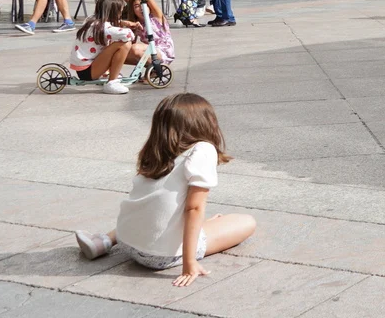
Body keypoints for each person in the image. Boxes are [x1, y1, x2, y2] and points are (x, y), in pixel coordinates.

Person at [75, 94, 257, 286]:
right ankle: (195, 238)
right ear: (205, 123)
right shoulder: (203, 149)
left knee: (150, 208)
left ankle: (103, 241)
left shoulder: (156, 152)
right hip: (159, 256)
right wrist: (189, 263)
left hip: (125, 240)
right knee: (246, 221)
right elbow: (194, 208)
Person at [66, 0, 134, 94]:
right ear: (113, 12)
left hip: (85, 68)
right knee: (125, 44)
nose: (121, 14)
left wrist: (122, 23)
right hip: (88, 71)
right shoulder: (103, 27)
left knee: (114, 42)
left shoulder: (91, 20)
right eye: (120, 11)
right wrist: (130, 27)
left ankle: (107, 73)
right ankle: (112, 82)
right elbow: (128, 35)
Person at [122, 0, 175, 67]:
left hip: (163, 52)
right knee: (119, 54)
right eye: (137, 6)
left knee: (135, 48)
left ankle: (155, 68)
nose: (141, 8)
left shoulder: (156, 17)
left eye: (143, 4)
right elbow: (129, 43)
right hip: (149, 52)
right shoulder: (136, 23)